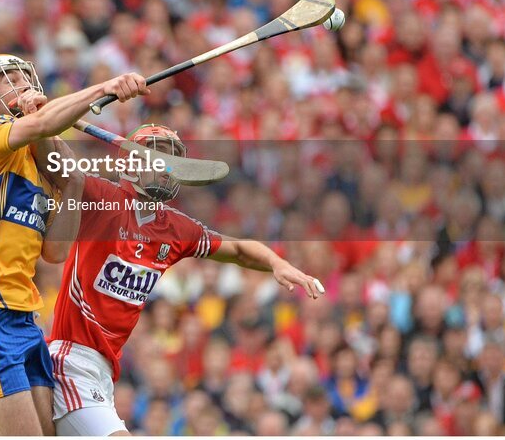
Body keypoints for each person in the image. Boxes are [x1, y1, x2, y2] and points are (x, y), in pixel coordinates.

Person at [40, 124, 323, 436]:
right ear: (132, 165)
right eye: (159, 160)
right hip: (71, 359)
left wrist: (276, 262)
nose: (168, 171)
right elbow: (55, 163)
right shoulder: (102, 198)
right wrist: (39, 117)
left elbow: (239, 250)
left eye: (173, 162)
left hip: (105, 371)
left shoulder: (175, 229)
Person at [0, 53, 148, 435]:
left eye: (25, 75)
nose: (21, 82)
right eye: (8, 80)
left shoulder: (37, 171)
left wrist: (69, 182)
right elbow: (39, 124)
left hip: (24, 321)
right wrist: (105, 88)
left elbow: (54, 251)